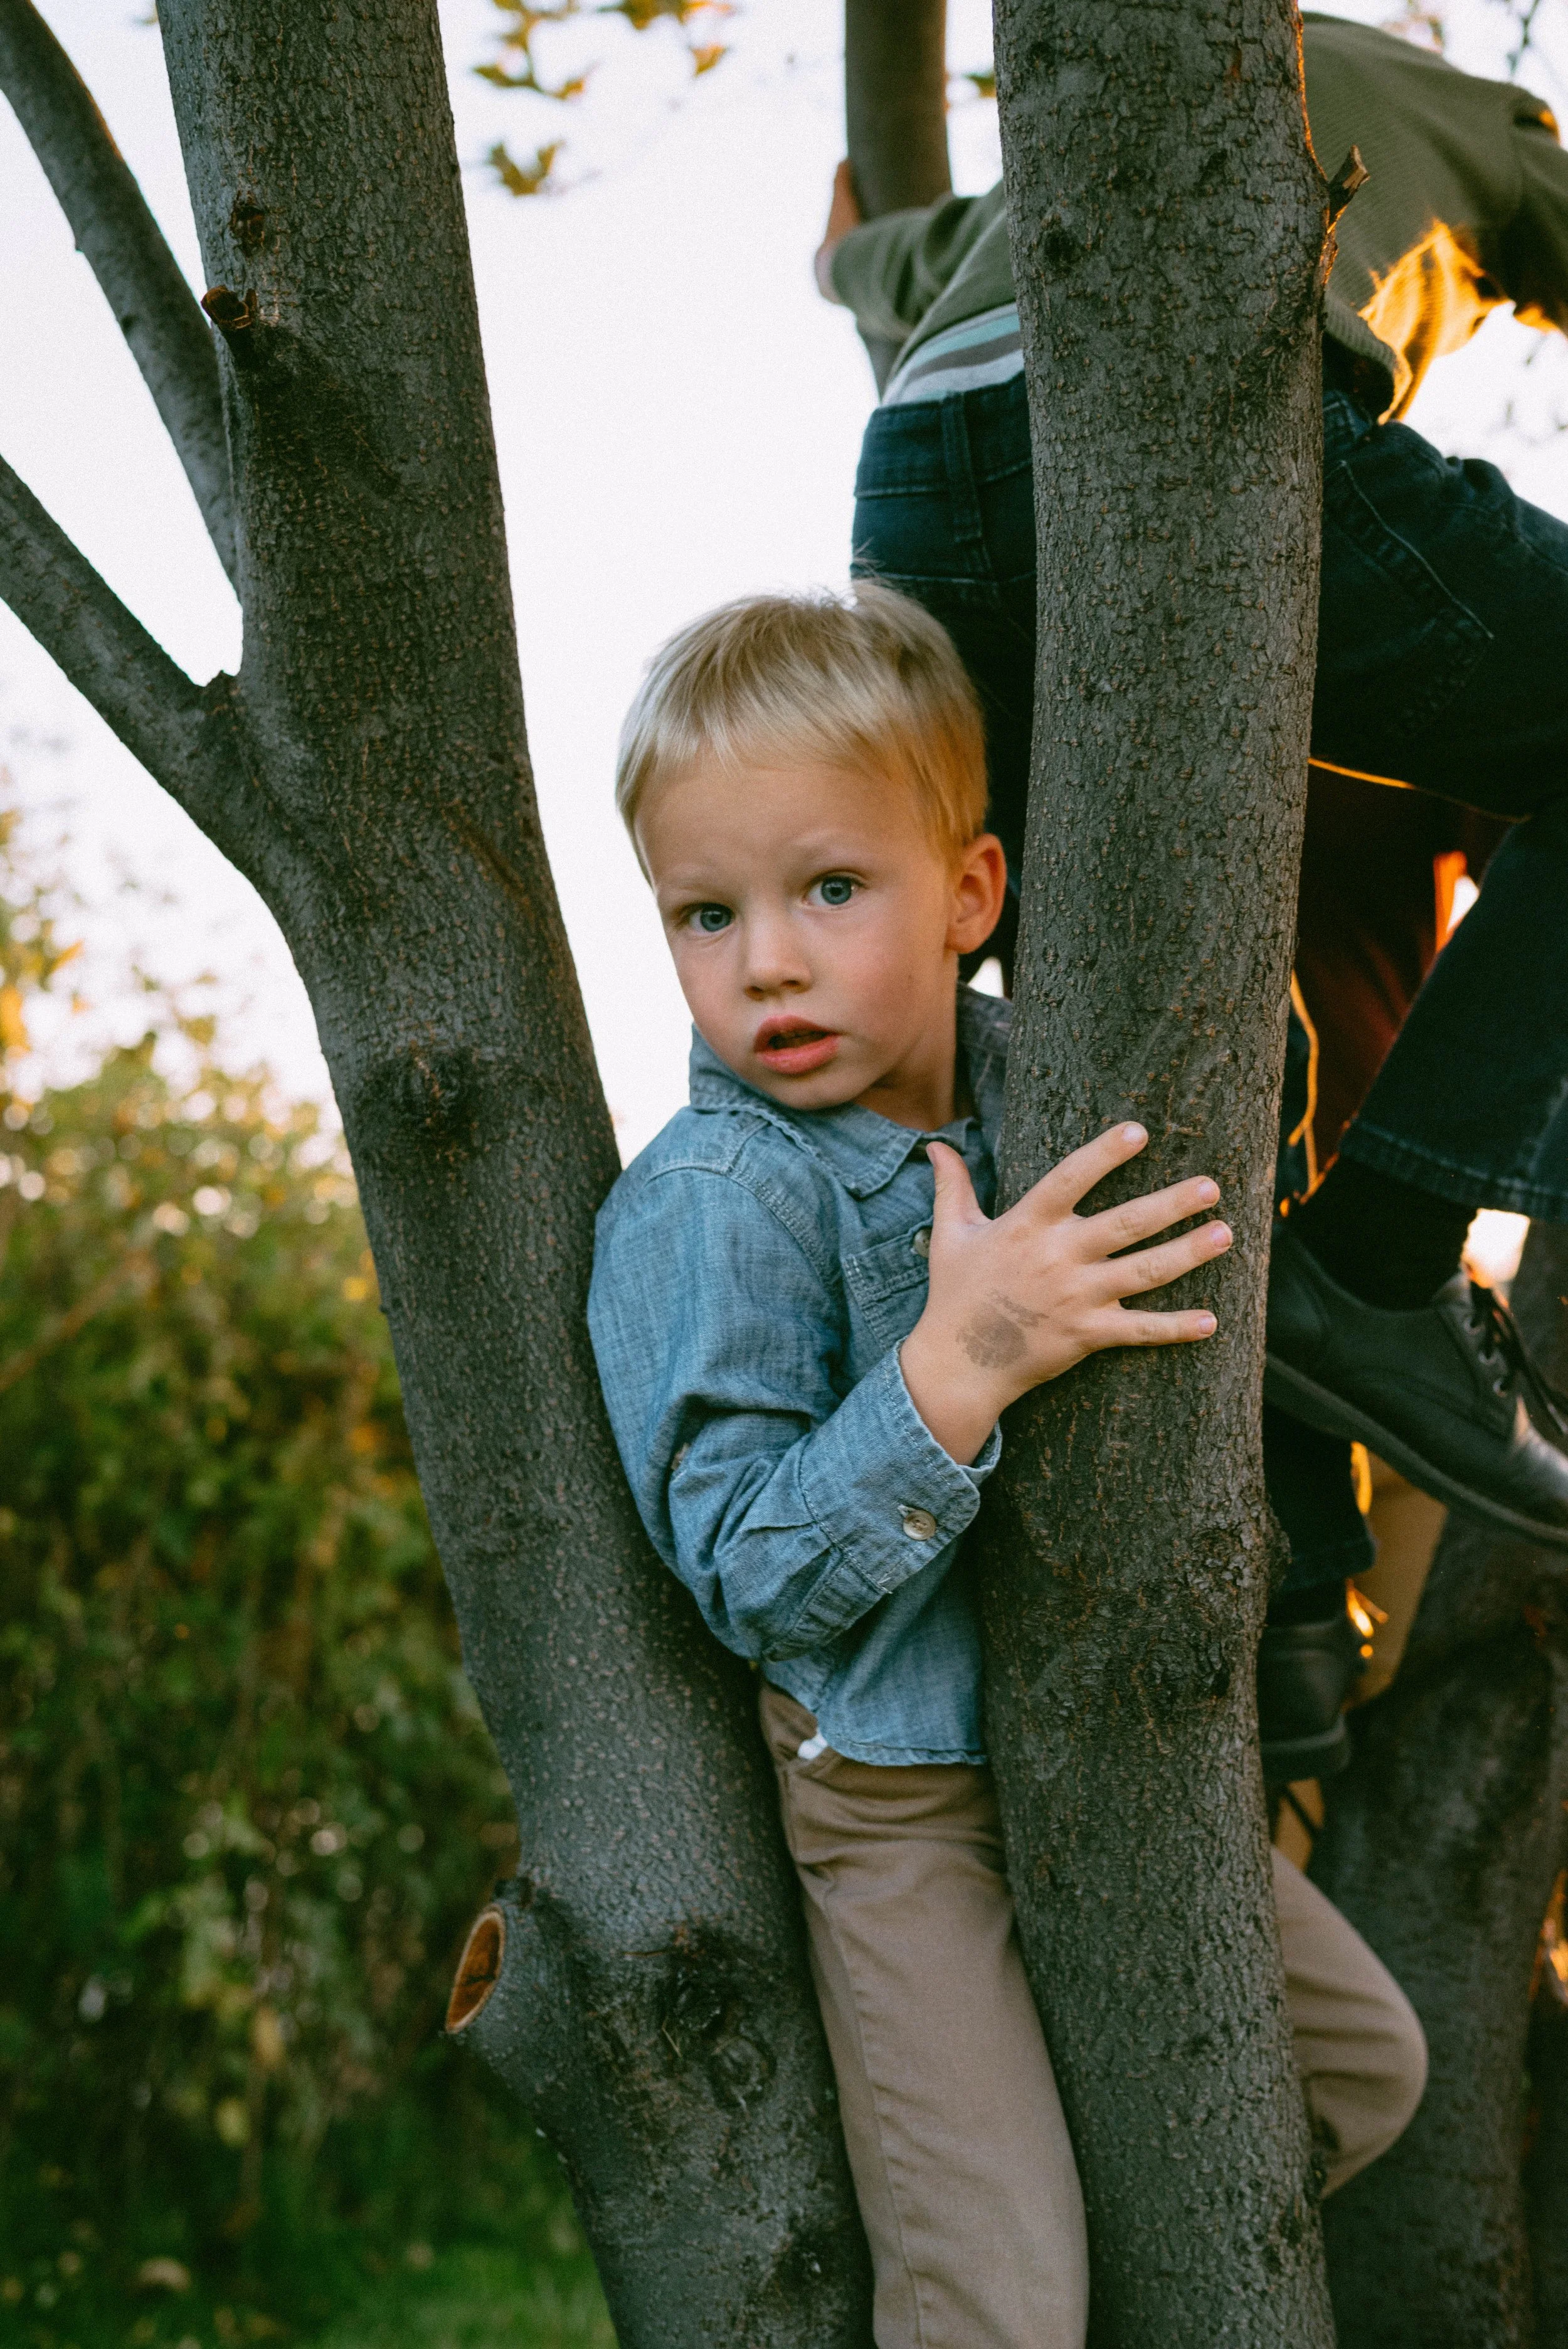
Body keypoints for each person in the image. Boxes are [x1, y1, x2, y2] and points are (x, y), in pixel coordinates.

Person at [588, 585, 1427, 2347]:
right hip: (898, 1790)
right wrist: (959, 1361)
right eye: (704, 913)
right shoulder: (714, 1204)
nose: (768, 962)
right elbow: (744, 1572)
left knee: (1360, 2072)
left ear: (970, 895)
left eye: (832, 889)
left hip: (1104, 1741)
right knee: (999, 2304)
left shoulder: (1035, 1093)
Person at [817, 11, 1568, 1777]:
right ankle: (1381, 1270)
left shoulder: (1065, 134)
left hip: (919, 485)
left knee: (1187, 1012)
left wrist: (844, 240)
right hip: (1193, 431)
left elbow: (876, 254)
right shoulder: (1481, 118)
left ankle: (1284, 1596)